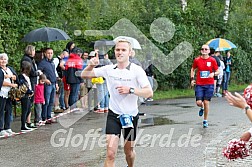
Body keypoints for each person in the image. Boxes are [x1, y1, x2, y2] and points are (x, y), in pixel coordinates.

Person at [81, 38, 153, 167]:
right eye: (118, 50)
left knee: (129, 152)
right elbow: (84, 74)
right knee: (110, 153)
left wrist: (130, 90)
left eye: (123, 50)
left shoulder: (137, 70)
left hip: (130, 116)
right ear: (114, 52)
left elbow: (149, 92)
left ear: (130, 53)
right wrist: (91, 65)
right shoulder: (109, 69)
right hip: (114, 115)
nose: (120, 52)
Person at [190, 45, 220, 128]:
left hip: (209, 84)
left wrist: (213, 74)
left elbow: (218, 71)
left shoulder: (212, 60)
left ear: (209, 51)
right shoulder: (197, 60)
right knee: (198, 102)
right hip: (199, 84)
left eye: (206, 49)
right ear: (201, 51)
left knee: (206, 102)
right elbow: (193, 69)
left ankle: (205, 120)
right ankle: (202, 107)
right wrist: (192, 79)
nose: (204, 50)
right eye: (202, 49)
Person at [21, 45, 42, 128]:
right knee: (28, 103)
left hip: (33, 81)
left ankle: (28, 121)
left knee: (30, 103)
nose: (34, 52)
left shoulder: (31, 59)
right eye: (33, 50)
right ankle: (27, 122)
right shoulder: (27, 59)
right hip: (30, 82)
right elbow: (31, 72)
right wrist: (38, 73)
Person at [38, 48, 58, 124]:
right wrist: (44, 79)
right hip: (47, 84)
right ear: (45, 54)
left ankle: (49, 116)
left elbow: (54, 73)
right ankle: (44, 117)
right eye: (48, 53)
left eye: (51, 53)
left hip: (53, 83)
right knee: (46, 101)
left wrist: (56, 83)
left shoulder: (52, 63)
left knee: (51, 102)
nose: (50, 54)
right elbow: (39, 71)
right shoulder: (42, 63)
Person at [0, 53, 18, 136]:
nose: (3, 61)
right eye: (1, 59)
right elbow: (1, 81)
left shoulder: (10, 68)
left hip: (10, 93)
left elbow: (15, 76)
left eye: (5, 59)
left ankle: (7, 127)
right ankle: (1, 128)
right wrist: (11, 84)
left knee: (9, 110)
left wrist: (13, 77)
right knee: (1, 110)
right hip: (2, 93)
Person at [19, 61, 35, 131]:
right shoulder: (21, 76)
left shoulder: (27, 76)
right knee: (25, 110)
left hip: (29, 95)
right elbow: (23, 86)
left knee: (28, 109)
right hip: (24, 95)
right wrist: (30, 91)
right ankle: (23, 125)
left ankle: (25, 123)